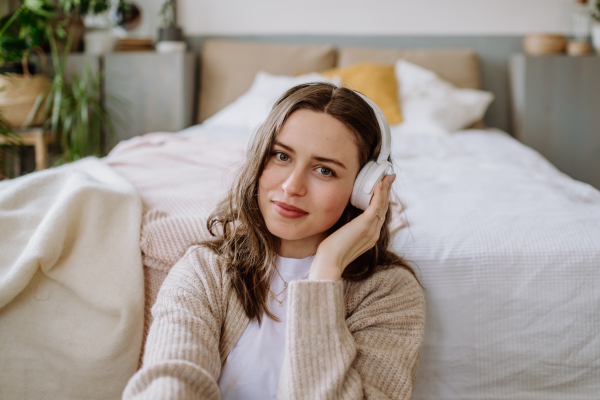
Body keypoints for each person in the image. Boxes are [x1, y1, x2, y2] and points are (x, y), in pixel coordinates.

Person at [123, 82, 425, 400]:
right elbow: (170, 381)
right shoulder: (205, 269)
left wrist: (325, 272)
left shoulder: (390, 294)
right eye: (281, 156)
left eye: (324, 170)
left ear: (365, 189)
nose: (292, 186)